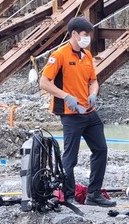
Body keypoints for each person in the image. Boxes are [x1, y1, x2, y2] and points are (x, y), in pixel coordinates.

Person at [40, 17, 115, 207]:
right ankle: (68, 195)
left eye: (88, 35)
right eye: (84, 35)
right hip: (70, 114)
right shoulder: (60, 55)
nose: (87, 38)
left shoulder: (87, 55)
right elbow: (44, 82)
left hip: (89, 112)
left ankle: (94, 194)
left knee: (101, 150)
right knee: (70, 158)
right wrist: (66, 96)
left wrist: (93, 93)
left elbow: (93, 80)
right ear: (74, 34)